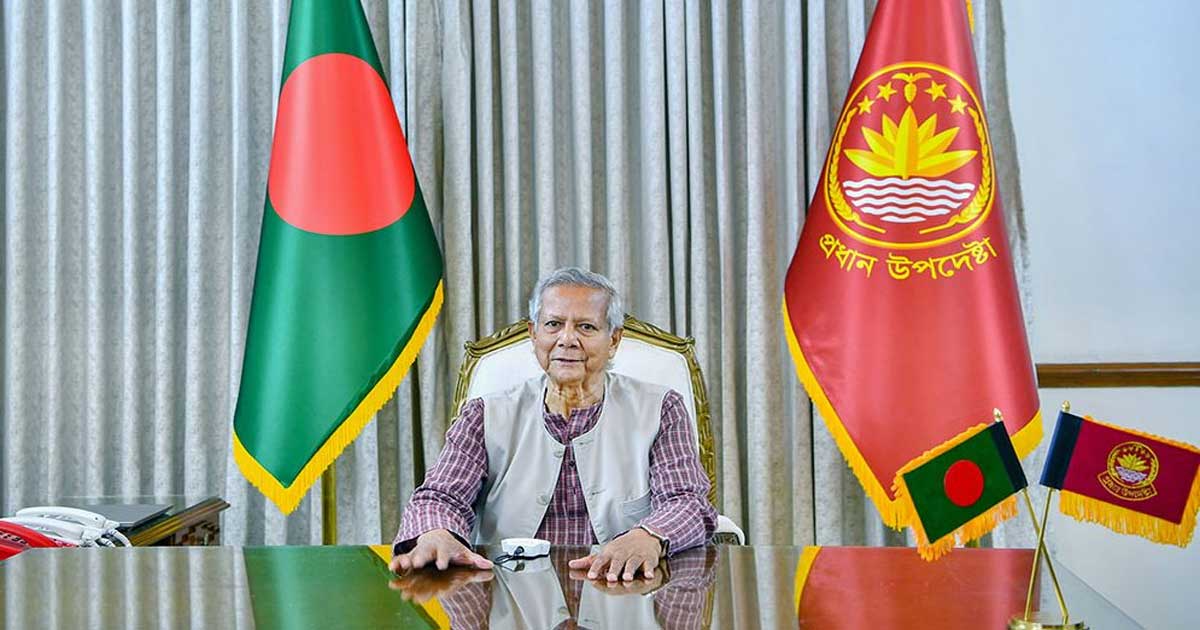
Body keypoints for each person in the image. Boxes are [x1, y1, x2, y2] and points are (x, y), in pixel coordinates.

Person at [391, 267, 716, 582]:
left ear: (614, 339)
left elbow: (687, 501)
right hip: (509, 597)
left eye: (586, 327)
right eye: (553, 324)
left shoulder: (661, 408)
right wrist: (437, 533)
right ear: (533, 334)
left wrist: (649, 536)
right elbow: (441, 497)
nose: (567, 339)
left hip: (622, 588)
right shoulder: (484, 414)